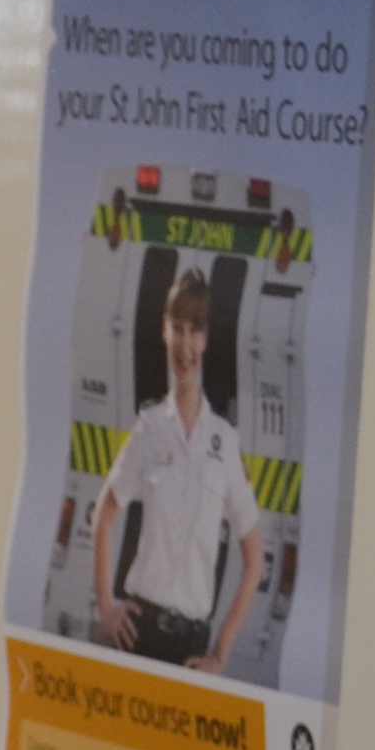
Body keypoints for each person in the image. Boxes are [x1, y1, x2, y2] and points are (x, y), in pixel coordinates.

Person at [93, 260, 266, 673]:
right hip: (140, 637)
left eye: (194, 331)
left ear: (205, 339)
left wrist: (220, 653)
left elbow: (254, 560)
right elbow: (103, 517)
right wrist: (106, 608)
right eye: (178, 329)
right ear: (164, 330)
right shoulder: (149, 428)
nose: (184, 346)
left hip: (191, 652)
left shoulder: (225, 443)